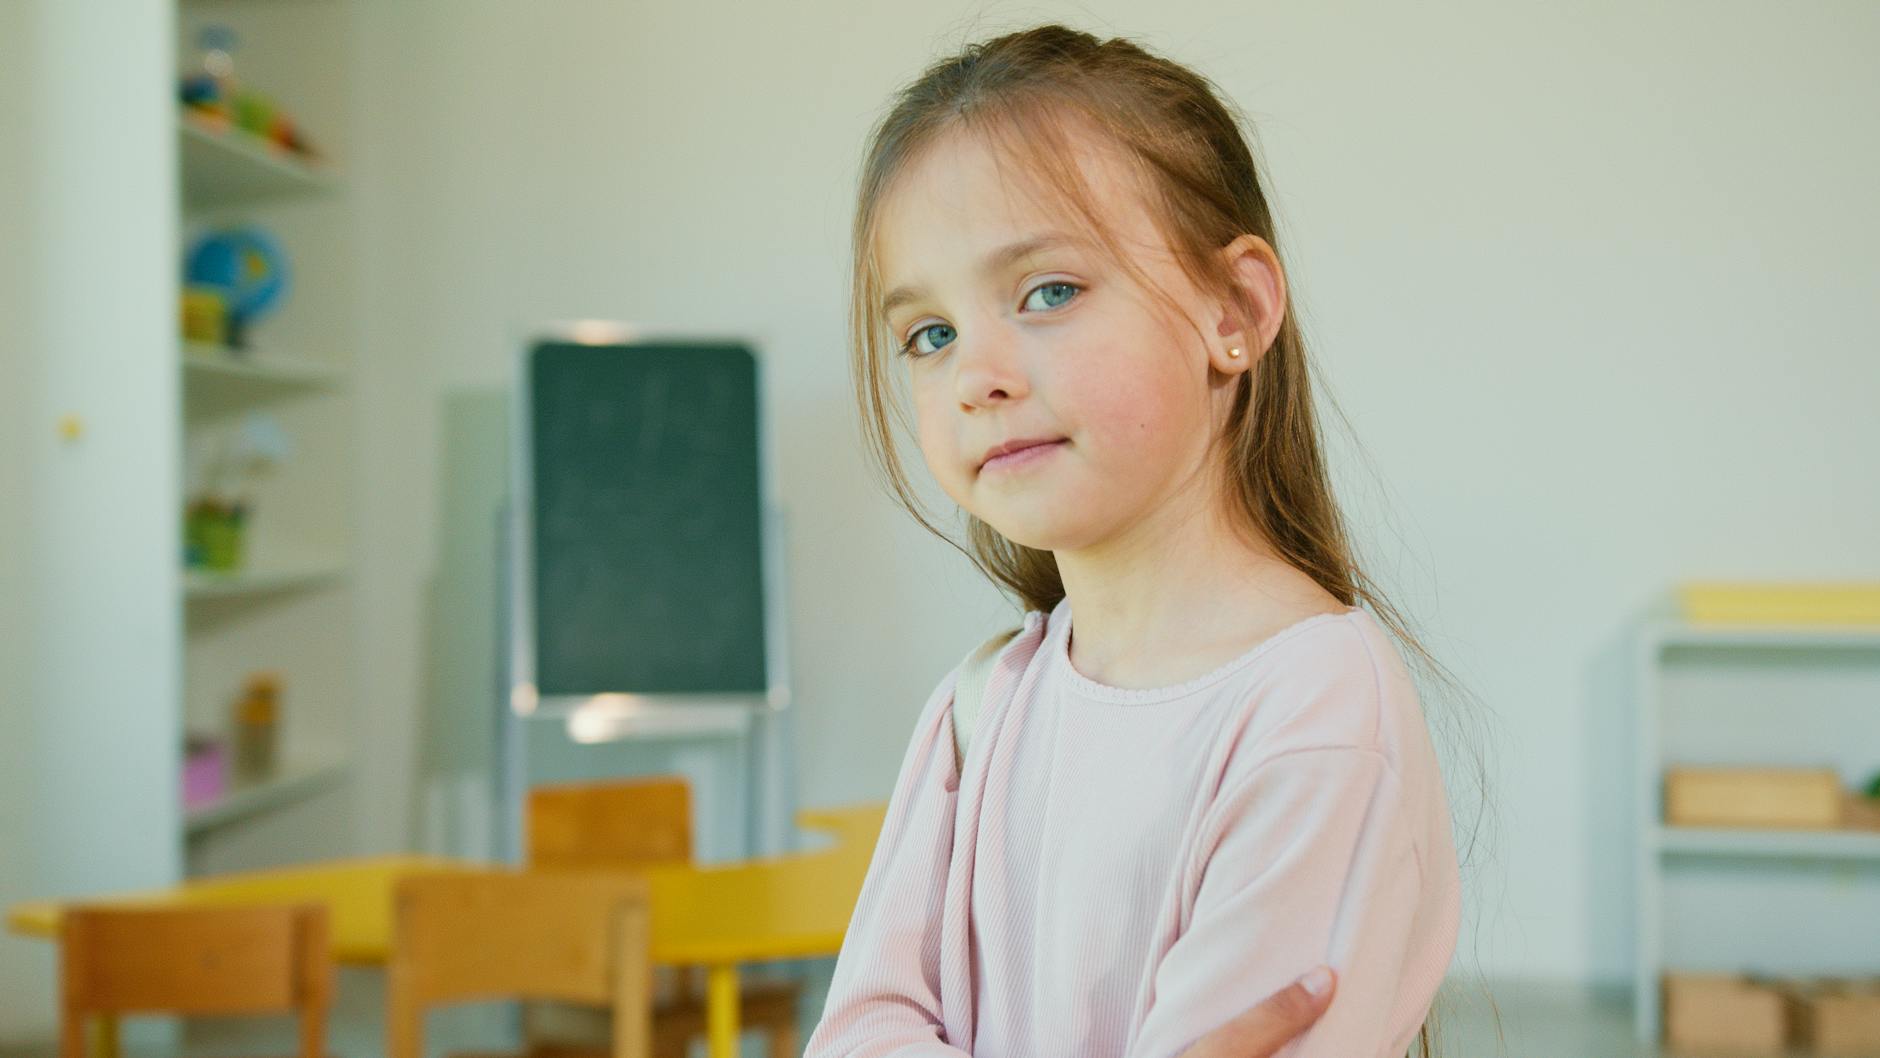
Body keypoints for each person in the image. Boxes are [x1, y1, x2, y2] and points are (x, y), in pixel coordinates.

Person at [806, 23, 1462, 1058]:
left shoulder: (1312, 715)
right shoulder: (981, 705)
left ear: (1233, 308)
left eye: (1047, 292)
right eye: (928, 334)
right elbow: (855, 1030)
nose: (977, 373)